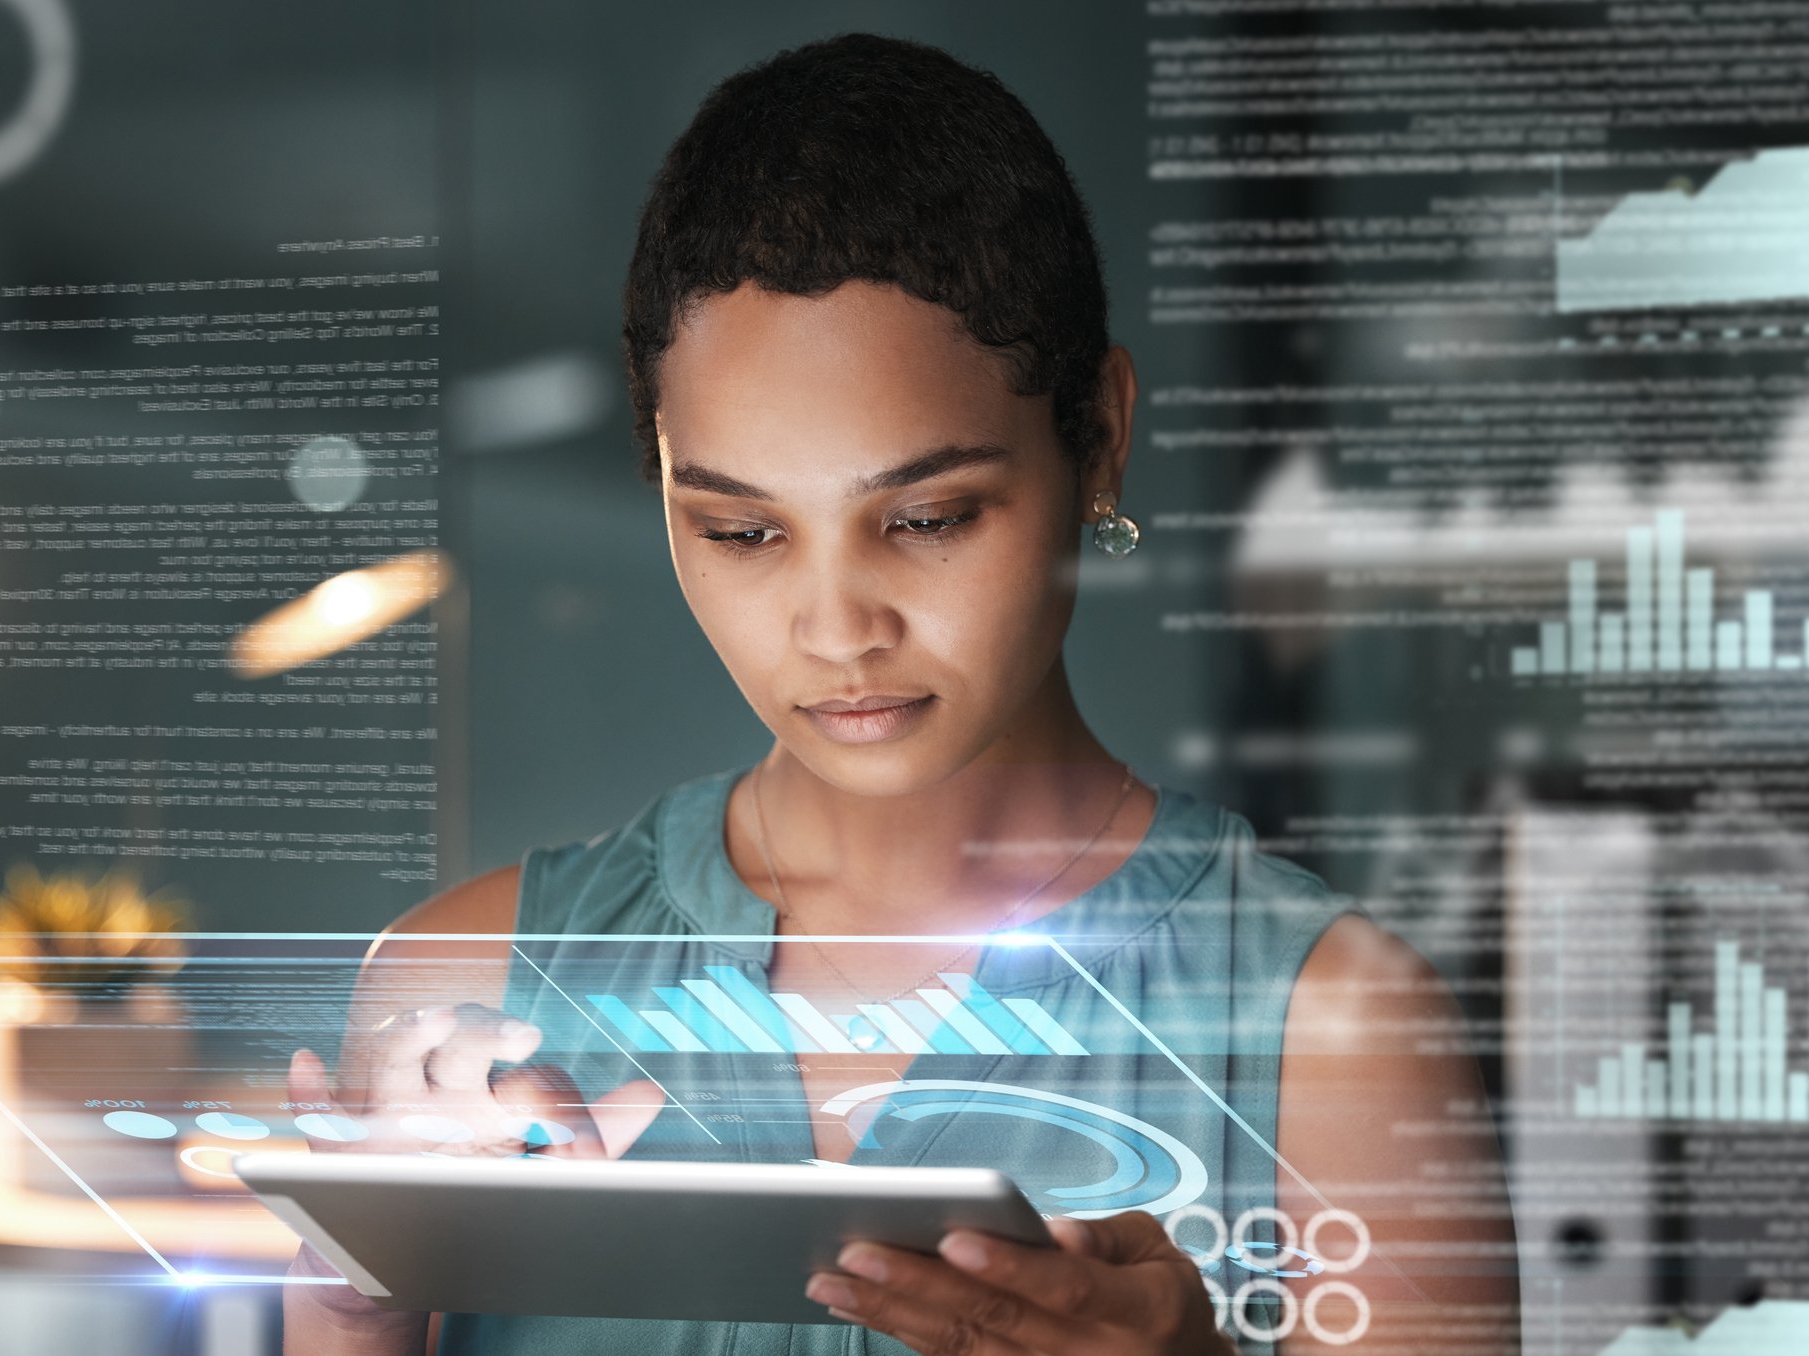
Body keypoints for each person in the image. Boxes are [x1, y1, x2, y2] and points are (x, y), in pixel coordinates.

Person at [283, 33, 1520, 1356]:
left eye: (925, 517)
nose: (836, 630)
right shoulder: (464, 986)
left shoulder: (1328, 1031)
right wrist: (354, 1304)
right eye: (743, 533)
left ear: (1097, 438)